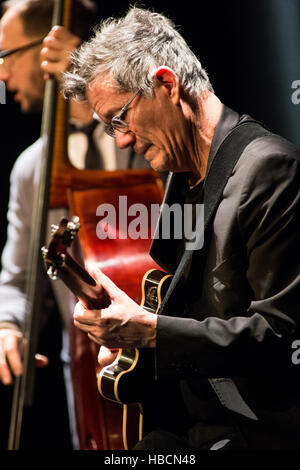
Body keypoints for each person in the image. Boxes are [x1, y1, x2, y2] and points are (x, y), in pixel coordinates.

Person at [63, 7, 300, 450]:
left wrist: (150, 331)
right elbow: (192, 315)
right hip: (189, 424)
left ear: (167, 84)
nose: (122, 140)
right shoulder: (179, 174)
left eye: (120, 118)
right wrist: (129, 340)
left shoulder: (270, 168)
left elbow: (281, 337)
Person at [0, 0, 149, 449]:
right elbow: (18, 279)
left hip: (167, 359)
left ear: (46, 50)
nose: (2, 76)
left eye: (7, 57)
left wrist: (89, 87)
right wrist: (8, 326)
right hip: (82, 375)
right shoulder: (32, 168)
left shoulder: (142, 138)